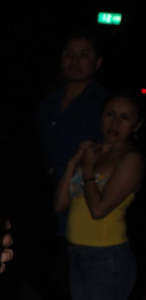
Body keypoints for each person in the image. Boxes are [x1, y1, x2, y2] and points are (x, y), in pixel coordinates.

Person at [55, 92, 144, 300]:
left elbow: (99, 209)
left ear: (137, 125)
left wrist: (88, 168)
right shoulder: (94, 153)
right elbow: (60, 204)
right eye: (110, 114)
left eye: (125, 117)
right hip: (77, 254)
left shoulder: (131, 159)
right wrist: (74, 162)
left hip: (107, 258)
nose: (115, 123)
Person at [36, 32, 106, 238]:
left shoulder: (105, 105)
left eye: (84, 54)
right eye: (69, 54)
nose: (75, 60)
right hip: (42, 195)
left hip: (79, 197)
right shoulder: (46, 103)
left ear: (97, 62)